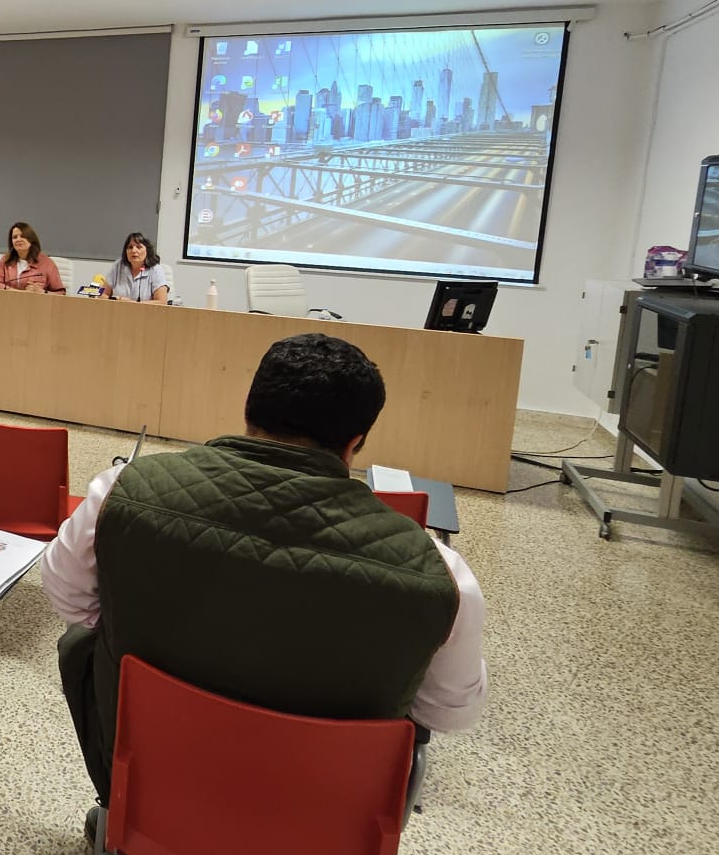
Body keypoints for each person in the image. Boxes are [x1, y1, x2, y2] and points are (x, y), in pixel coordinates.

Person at [43, 334, 486, 831]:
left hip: (151, 775)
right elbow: (449, 711)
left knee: (81, 642)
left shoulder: (117, 493)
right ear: (355, 442)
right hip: (320, 821)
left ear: (249, 409)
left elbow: (67, 596)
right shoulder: (443, 577)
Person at [0, 222, 66, 294]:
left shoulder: (47, 263)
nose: (18, 240)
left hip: (36, 305)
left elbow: (61, 293)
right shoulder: (5, 260)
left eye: (22, 236)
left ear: (31, 239)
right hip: (9, 304)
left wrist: (42, 292)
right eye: (14, 237)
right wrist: (20, 293)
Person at [98, 231, 170, 303]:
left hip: (145, 313)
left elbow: (162, 301)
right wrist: (116, 299)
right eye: (130, 247)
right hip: (118, 312)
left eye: (139, 247)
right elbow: (102, 294)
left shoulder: (155, 270)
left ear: (147, 250)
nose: (134, 250)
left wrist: (133, 303)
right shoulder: (118, 266)